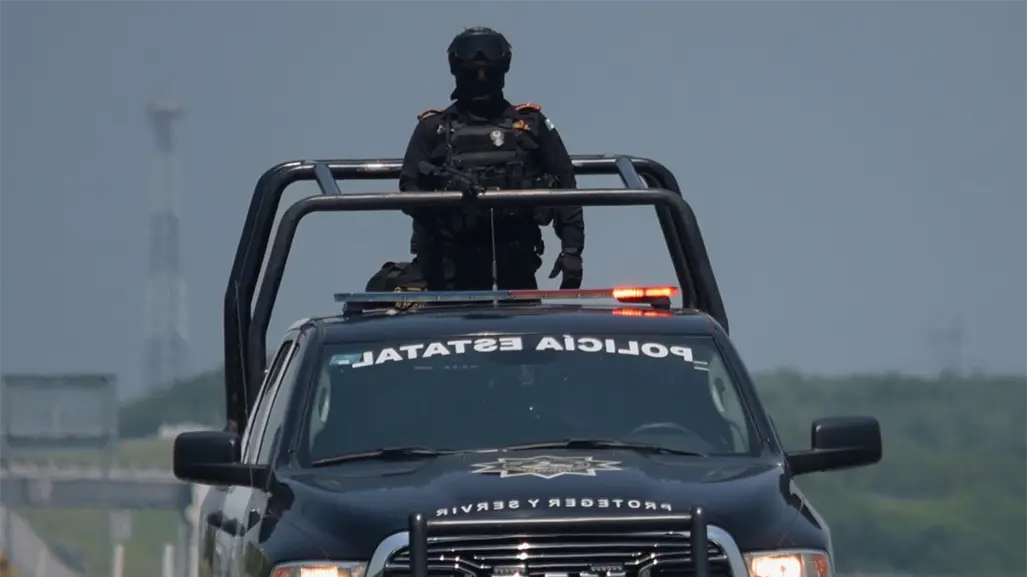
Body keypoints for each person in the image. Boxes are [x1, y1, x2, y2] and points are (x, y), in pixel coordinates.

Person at [398, 26, 584, 291]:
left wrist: (572, 250)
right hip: (451, 268)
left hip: (517, 263)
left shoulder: (531, 125)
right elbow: (409, 190)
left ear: (503, 70)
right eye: (473, 71)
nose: (482, 77)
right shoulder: (434, 129)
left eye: (489, 70)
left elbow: (566, 187)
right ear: (457, 71)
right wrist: (445, 196)